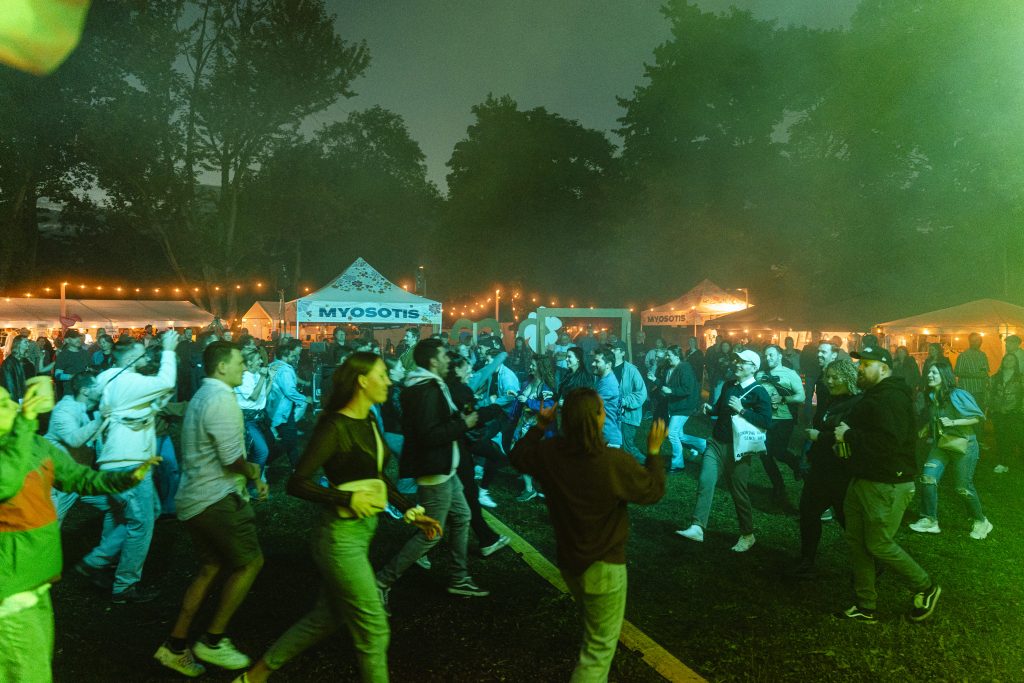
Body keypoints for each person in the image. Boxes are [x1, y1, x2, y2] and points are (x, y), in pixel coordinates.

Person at [0, 378, 158, 682]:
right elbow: (7, 480)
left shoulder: (36, 445)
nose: (15, 406)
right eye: (4, 404)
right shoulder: (23, 442)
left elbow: (79, 478)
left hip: (36, 585)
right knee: (31, 674)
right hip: (10, 594)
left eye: (11, 400)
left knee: (30, 667)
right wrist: (27, 422)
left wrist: (125, 478)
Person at [509, 389, 666, 682]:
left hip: (570, 563)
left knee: (593, 628)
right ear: (597, 418)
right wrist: (654, 452)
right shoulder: (613, 462)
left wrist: (540, 426)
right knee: (597, 652)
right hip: (604, 568)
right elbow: (652, 490)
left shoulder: (550, 453)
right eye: (602, 409)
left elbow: (517, 457)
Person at [155, 342, 269, 677]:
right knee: (250, 563)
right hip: (216, 498)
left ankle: (175, 646)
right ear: (222, 367)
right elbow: (231, 460)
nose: (244, 368)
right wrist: (255, 473)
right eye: (239, 362)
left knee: (210, 567)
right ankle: (213, 641)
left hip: (193, 498)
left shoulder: (203, 395)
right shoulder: (222, 400)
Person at [375, 338, 489, 608]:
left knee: (462, 516)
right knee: (433, 532)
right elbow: (428, 435)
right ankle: (381, 582)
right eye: (444, 355)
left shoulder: (432, 385)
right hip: (434, 469)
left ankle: (459, 577)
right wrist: (463, 424)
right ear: (432, 360)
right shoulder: (426, 390)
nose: (449, 359)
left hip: (444, 467)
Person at [833, 345, 940, 623]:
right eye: (859, 365)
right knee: (857, 543)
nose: (859, 369)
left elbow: (888, 443)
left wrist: (850, 435)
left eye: (865, 365)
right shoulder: (876, 394)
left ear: (883, 368)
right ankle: (865, 605)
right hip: (864, 479)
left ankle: (926, 587)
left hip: (887, 483)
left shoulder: (890, 397)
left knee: (878, 544)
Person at [78, 332, 179, 603]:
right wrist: (169, 350)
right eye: (141, 352)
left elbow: (132, 402)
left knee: (145, 513)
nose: (146, 354)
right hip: (129, 461)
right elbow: (166, 381)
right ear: (131, 357)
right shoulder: (130, 380)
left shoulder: (108, 379)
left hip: (116, 460)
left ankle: (96, 562)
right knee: (141, 523)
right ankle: (124, 586)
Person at [676, 350, 771, 552]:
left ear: (754, 367)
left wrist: (742, 410)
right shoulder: (729, 385)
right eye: (737, 360)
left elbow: (766, 421)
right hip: (716, 443)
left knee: (739, 492)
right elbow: (720, 408)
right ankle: (697, 527)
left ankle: (748, 534)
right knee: (706, 480)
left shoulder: (759, 392)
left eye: (743, 362)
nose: (737, 364)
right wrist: (710, 409)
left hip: (739, 450)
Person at [789, 359, 861, 579]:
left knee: (847, 520)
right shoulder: (832, 400)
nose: (829, 381)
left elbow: (851, 437)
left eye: (835, 377)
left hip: (841, 471)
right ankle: (807, 559)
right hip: (821, 468)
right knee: (808, 512)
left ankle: (872, 561)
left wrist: (820, 436)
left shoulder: (857, 404)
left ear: (848, 378)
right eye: (827, 377)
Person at [908, 359, 991, 539]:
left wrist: (953, 422)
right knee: (928, 478)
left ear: (944, 375)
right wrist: (927, 427)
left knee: (962, 487)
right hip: (942, 444)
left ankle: (981, 521)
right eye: (929, 372)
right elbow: (937, 418)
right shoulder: (933, 396)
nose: (929, 375)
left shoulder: (958, 394)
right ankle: (929, 519)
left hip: (964, 444)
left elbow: (978, 417)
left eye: (934, 373)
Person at [45, 371, 104, 523]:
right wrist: (99, 421)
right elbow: (73, 439)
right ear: (85, 391)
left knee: (115, 505)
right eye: (97, 386)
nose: (102, 388)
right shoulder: (63, 410)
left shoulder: (91, 409)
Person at [757, 344, 805, 509]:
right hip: (765, 419)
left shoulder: (790, 374)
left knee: (778, 451)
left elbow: (801, 396)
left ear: (779, 356)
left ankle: (796, 463)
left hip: (784, 419)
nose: (768, 358)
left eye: (771, 355)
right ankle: (778, 486)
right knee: (764, 454)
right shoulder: (761, 374)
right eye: (766, 355)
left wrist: (783, 399)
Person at [657, 345, 704, 471]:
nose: (667, 357)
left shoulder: (685, 368)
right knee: (679, 435)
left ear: (677, 356)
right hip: (675, 406)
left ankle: (677, 464)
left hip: (684, 406)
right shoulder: (670, 369)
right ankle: (704, 445)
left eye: (669, 355)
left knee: (672, 434)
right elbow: (665, 386)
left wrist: (671, 391)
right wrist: (656, 381)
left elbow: (687, 389)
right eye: (667, 355)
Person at [235, 349, 276, 492]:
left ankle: (252, 480)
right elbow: (253, 396)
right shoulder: (243, 377)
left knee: (265, 447)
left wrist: (270, 379)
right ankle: (252, 486)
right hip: (247, 420)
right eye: (258, 359)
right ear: (249, 362)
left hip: (259, 419)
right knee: (262, 451)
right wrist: (263, 378)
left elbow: (263, 396)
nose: (261, 361)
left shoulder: (256, 375)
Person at [268, 339, 313, 466]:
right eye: (291, 356)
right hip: (283, 410)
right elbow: (289, 391)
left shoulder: (273, 365)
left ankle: (295, 466)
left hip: (276, 408)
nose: (294, 358)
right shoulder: (285, 370)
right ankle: (266, 460)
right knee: (289, 441)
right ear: (285, 356)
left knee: (291, 440)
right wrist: (304, 399)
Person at [610, 343, 648, 462]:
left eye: (615, 349)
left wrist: (624, 401)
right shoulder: (607, 368)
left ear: (623, 353)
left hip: (628, 415)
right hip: (611, 413)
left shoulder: (631, 370)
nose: (612, 351)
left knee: (628, 447)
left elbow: (641, 393)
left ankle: (647, 464)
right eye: (611, 349)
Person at [988, 353, 1024, 473]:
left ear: (1015, 363)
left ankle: (1011, 461)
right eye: (1006, 360)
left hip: (1015, 412)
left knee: (1015, 437)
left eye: (1011, 360)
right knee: (1000, 437)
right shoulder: (995, 377)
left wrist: (1021, 409)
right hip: (998, 412)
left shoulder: (1020, 378)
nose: (1008, 362)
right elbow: (989, 394)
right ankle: (1003, 462)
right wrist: (992, 408)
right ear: (1003, 361)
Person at [590, 346, 623, 449]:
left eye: (597, 361)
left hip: (608, 441)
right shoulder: (603, 379)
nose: (593, 364)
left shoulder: (609, 384)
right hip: (604, 438)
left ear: (608, 365)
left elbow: (591, 408)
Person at [953, 333, 990, 410]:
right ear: (969, 341)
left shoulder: (983, 355)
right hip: (968, 392)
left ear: (981, 341)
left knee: (980, 413)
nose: (974, 342)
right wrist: (974, 375)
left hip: (981, 391)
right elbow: (957, 372)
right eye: (972, 340)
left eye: (977, 340)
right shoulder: (963, 356)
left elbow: (985, 371)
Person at [53, 329, 90, 395]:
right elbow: (58, 375)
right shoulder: (63, 355)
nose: (78, 339)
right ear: (67, 340)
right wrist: (73, 376)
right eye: (74, 337)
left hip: (85, 392)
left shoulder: (85, 353)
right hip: (70, 392)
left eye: (79, 337)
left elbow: (90, 368)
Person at [1, 335, 35, 402]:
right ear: (18, 344)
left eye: (28, 342)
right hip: (18, 397)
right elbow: (9, 383)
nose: (28, 344)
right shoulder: (9, 362)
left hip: (27, 396)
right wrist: (14, 401)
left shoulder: (26, 360)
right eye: (25, 342)